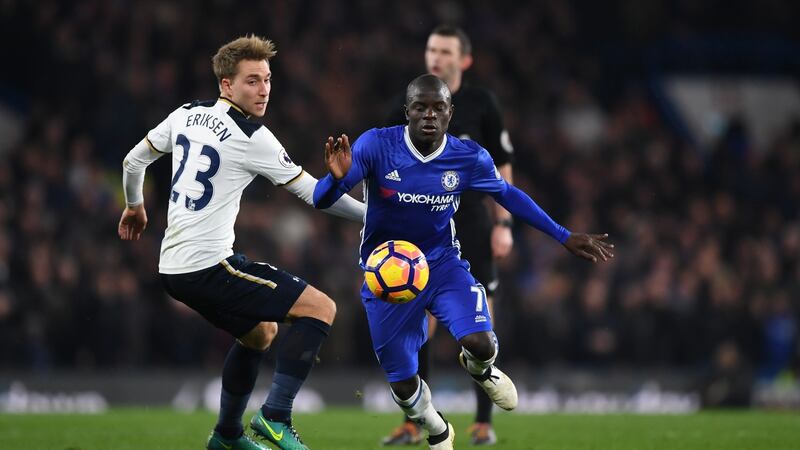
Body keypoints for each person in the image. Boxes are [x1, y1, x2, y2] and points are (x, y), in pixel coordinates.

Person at [313, 74, 613, 450]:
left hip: (441, 265)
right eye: (420, 107)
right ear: (407, 112)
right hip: (387, 277)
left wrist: (564, 235)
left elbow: (508, 195)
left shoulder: (468, 157)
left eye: (438, 107)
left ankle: (480, 368)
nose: (429, 115)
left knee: (481, 342)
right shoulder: (376, 145)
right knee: (405, 386)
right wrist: (334, 179)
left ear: (450, 113)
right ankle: (438, 429)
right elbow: (323, 199)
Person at [118, 35, 364, 450]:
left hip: (173, 268)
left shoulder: (186, 114)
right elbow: (313, 194)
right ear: (226, 85)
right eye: (252, 81)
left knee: (260, 334)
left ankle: (227, 436)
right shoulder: (251, 135)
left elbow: (132, 161)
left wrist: (133, 206)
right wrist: (377, 216)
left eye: (267, 79)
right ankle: (275, 416)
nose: (264, 89)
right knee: (321, 309)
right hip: (207, 267)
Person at [382, 25, 515, 446]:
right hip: (425, 228)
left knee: (480, 323)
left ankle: (482, 421)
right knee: (419, 323)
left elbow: (502, 168)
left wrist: (504, 223)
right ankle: (415, 421)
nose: (435, 57)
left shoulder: (481, 104)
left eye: (445, 51)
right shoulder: (405, 106)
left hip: (475, 224)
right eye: (431, 49)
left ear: (465, 60)